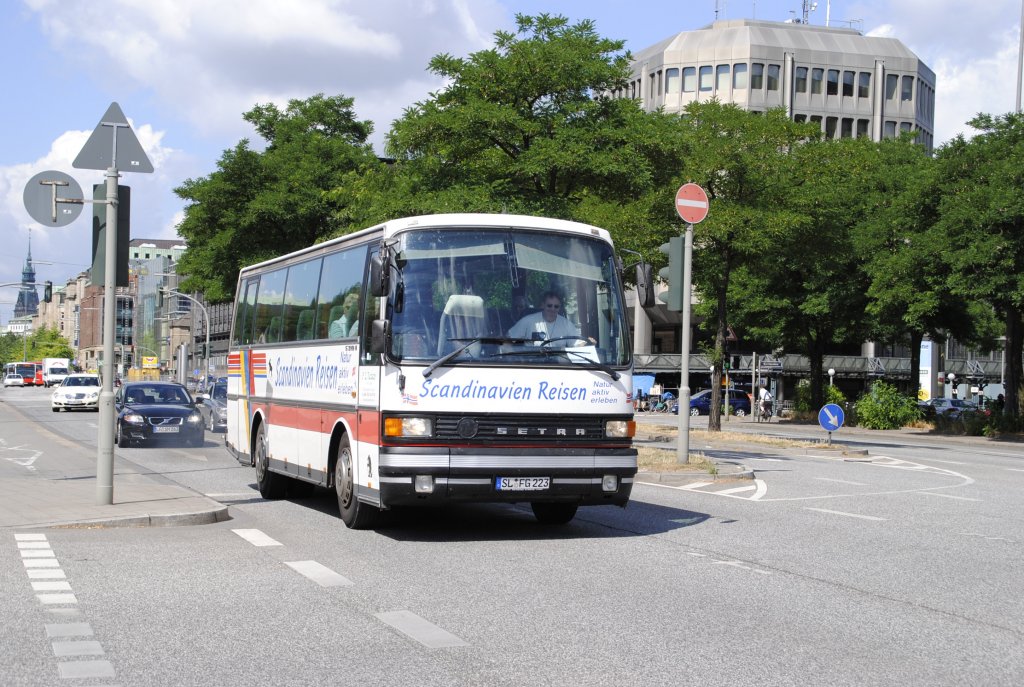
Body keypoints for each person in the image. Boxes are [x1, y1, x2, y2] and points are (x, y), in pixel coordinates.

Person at [508, 291, 580, 341]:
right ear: (543, 305)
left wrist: (586, 343)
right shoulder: (527, 321)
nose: (552, 309)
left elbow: (577, 344)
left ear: (560, 307)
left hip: (558, 362)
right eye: (549, 306)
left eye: (556, 306)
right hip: (531, 362)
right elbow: (509, 338)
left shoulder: (567, 325)